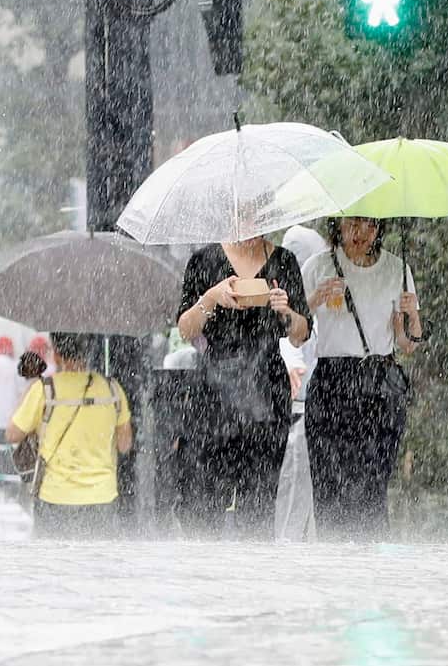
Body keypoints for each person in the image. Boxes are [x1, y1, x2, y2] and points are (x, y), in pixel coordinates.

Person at [176, 236, 311, 538]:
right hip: (213, 391)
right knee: (203, 502)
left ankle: (254, 578)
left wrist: (285, 311)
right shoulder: (204, 260)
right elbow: (186, 329)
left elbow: (302, 333)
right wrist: (211, 297)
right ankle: (205, 576)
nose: (247, 224)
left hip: (266, 389)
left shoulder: (283, 261)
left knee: (259, 504)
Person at [300, 217, 422, 540]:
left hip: (378, 387)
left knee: (371, 485)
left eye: (369, 224)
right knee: (329, 484)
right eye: (352, 224)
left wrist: (412, 316)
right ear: (337, 225)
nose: (360, 234)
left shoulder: (397, 269)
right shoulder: (317, 266)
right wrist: (315, 299)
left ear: (380, 227)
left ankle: (372, 566)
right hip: (331, 382)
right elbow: (296, 334)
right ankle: (334, 562)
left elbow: (407, 344)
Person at [5, 332, 132, 539]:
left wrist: (28, 394)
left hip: (55, 497)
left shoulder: (44, 389)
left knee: (53, 567)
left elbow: (12, 434)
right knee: (99, 566)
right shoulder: (112, 389)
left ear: (55, 355)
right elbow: (125, 444)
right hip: (102, 498)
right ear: (87, 352)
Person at [275, 224, 328, 542]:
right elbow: (292, 349)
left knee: (301, 503)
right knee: (291, 502)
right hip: (294, 418)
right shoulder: (284, 307)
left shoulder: (314, 311)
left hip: (307, 418)